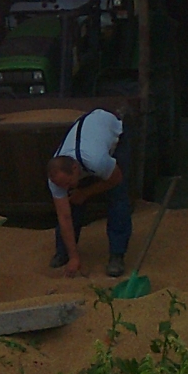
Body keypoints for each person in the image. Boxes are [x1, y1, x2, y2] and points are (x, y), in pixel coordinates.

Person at [46, 108, 132, 278]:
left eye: (67, 183)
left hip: (113, 135)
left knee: (118, 199)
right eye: (61, 185)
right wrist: (74, 257)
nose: (64, 187)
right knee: (72, 202)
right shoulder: (56, 179)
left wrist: (85, 193)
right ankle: (65, 252)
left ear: (75, 169)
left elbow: (116, 179)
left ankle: (117, 254)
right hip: (87, 145)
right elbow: (64, 216)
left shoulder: (97, 161)